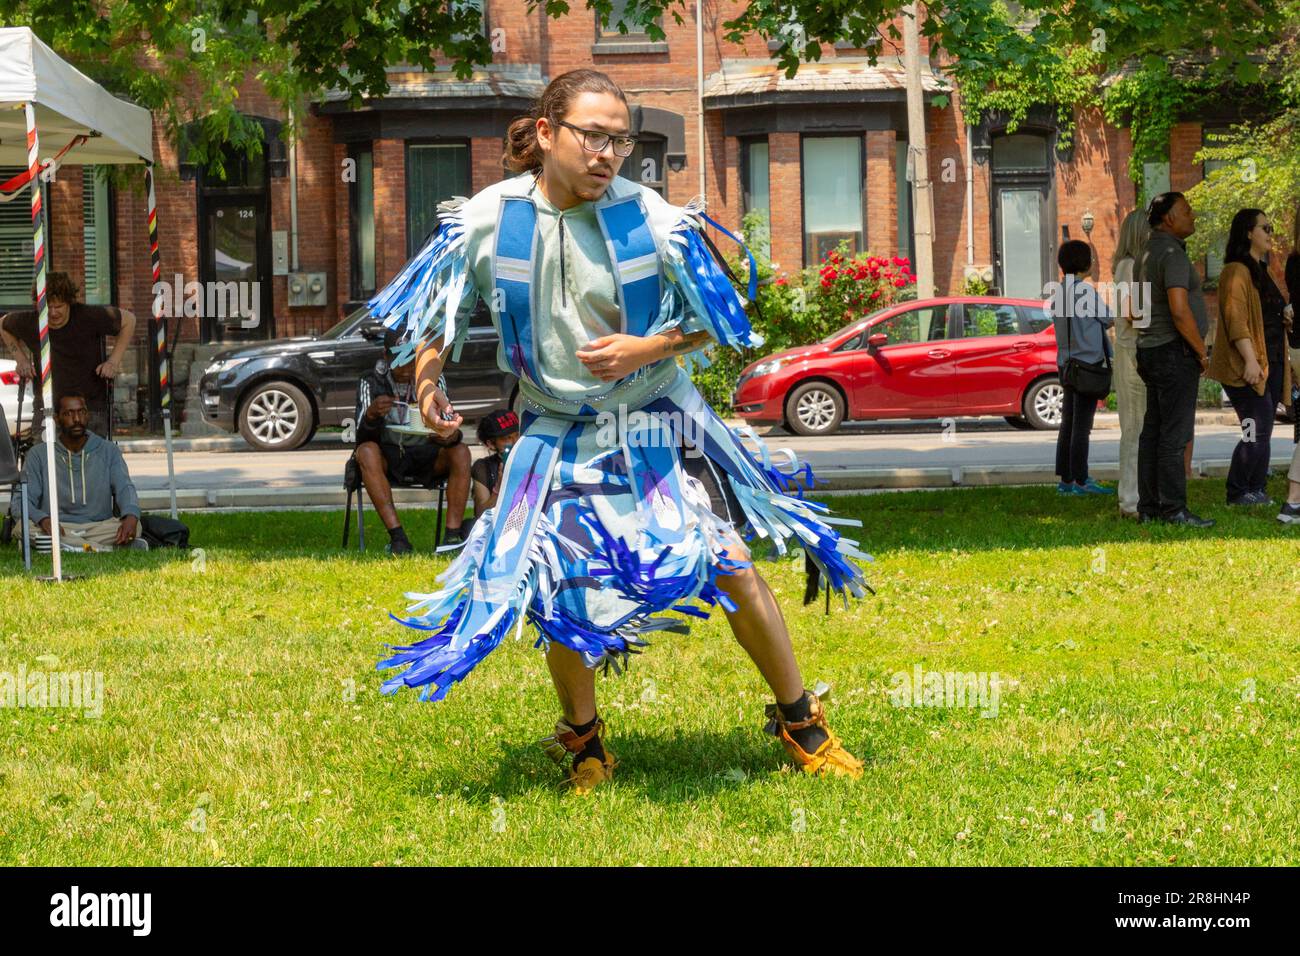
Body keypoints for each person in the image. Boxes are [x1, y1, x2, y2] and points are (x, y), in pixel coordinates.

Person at [366, 69, 870, 791]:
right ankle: (585, 740)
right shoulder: (486, 219)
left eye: (620, 140)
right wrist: (426, 384)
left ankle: (801, 720)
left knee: (727, 558)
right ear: (546, 134)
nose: (608, 154)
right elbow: (439, 318)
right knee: (555, 583)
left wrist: (648, 348)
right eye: (592, 136)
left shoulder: (652, 218)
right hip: (555, 427)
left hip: (656, 416)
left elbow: (721, 322)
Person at [354, 328, 472, 554]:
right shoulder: (371, 381)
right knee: (366, 452)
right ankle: (398, 538)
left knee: (461, 452)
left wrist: (446, 434)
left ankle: (452, 536)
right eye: (399, 360)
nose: (406, 368)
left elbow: (453, 432)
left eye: (411, 360)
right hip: (388, 455)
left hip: (427, 452)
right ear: (386, 356)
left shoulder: (432, 381)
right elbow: (359, 439)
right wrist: (370, 415)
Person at [1134, 192, 1214, 527]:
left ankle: (1150, 507)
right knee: (1174, 433)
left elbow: (1137, 310)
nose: (1193, 216)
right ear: (1169, 218)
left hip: (1151, 349)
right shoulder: (1172, 254)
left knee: (1153, 430)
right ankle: (1174, 510)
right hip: (1173, 351)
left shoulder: (1144, 254)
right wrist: (1200, 350)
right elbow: (1180, 312)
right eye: (1186, 211)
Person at [0, 272, 136, 438]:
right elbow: (3, 324)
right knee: (44, 459)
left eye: (59, 306)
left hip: (89, 406)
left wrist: (113, 362)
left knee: (91, 460)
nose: (53, 313)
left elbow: (129, 320)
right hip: (48, 407)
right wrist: (20, 359)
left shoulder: (88, 316)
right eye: (47, 307)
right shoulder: (31, 321)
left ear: (69, 303)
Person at [1207, 209, 1279, 506]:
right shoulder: (1235, 271)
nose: (1270, 233)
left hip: (1269, 361)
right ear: (1249, 232)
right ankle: (1237, 491)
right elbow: (1236, 319)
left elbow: (1265, 313)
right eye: (1266, 227)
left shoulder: (1261, 269)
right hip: (1247, 366)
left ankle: (1256, 488)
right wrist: (1250, 360)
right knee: (1255, 427)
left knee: (1264, 428)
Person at [15, 391, 145, 551]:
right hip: (56, 527)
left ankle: (68, 546)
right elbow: (21, 501)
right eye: (68, 414)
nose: (76, 419)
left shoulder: (108, 450)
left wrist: (131, 516)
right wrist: (42, 520)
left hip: (99, 527)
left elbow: (125, 487)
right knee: (22, 527)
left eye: (81, 412)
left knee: (136, 525)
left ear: (87, 415)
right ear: (56, 418)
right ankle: (99, 548)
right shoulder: (40, 454)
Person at [1051, 240, 1114, 496]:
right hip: (1087, 366)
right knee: (1081, 427)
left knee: (1068, 423)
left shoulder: (1058, 293)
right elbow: (1108, 318)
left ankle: (1065, 480)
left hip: (1066, 366)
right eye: (1091, 257)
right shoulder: (1084, 292)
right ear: (1083, 263)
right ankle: (1081, 479)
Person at [1110, 211, 1151, 517]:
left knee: (1140, 428)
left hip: (1136, 352)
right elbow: (1133, 313)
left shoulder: (1134, 266)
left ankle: (1137, 496)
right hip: (1132, 353)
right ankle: (1130, 500)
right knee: (1134, 428)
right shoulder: (1129, 266)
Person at [470, 409, 520, 521]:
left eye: (517, 435)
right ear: (491, 444)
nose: (515, 442)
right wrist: (498, 488)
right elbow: (480, 515)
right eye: (507, 438)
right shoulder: (483, 467)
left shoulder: (531, 459)